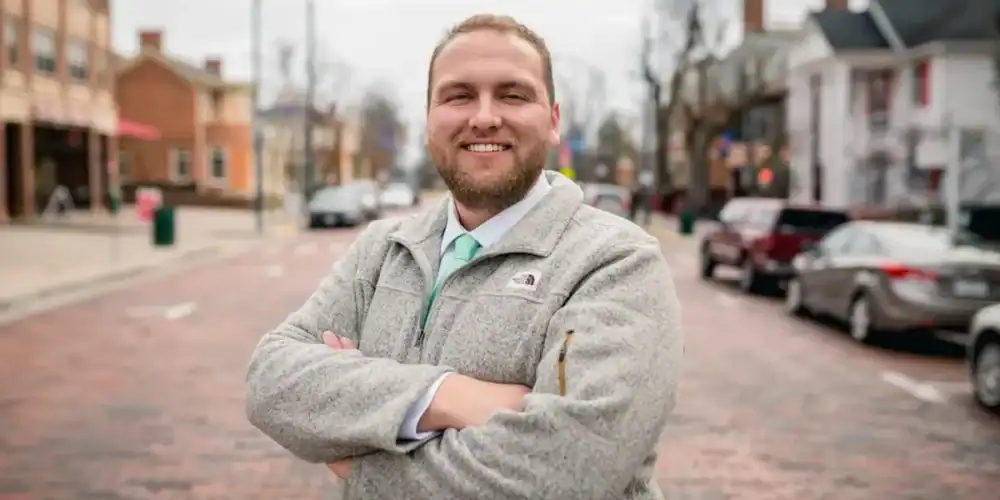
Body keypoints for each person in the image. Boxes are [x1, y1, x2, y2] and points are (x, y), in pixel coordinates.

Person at [245, 13, 682, 500]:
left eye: (513, 95)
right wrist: (449, 397)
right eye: (459, 96)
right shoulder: (382, 248)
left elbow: (565, 469)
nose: (484, 116)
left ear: (554, 120)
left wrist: (360, 457)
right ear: (430, 119)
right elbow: (271, 381)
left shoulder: (617, 261)